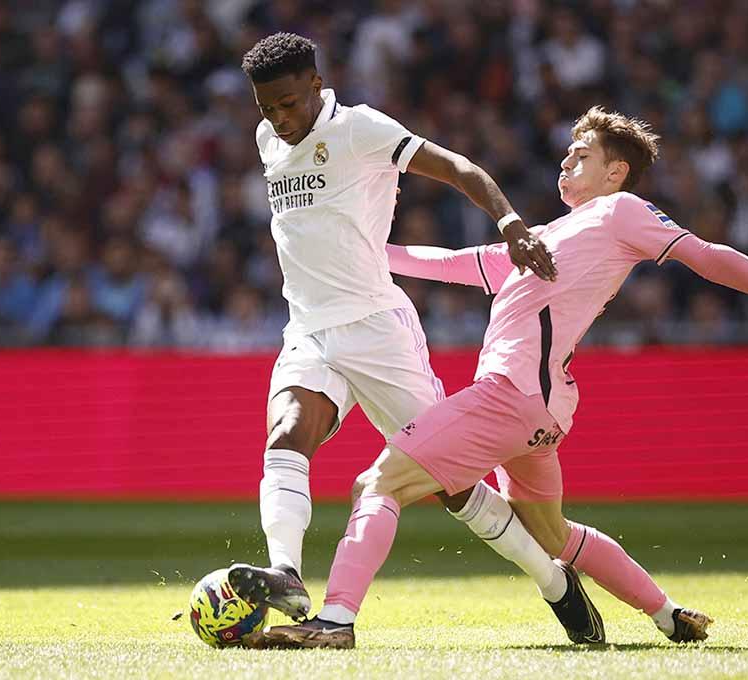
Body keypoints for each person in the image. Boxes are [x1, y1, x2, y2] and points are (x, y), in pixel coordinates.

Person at [248, 107, 748, 649]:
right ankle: (665, 614)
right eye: (568, 153)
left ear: (616, 172)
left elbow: (705, 255)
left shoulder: (621, 213)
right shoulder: (545, 237)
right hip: (540, 418)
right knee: (555, 535)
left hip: (507, 399)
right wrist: (347, 252)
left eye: (582, 154)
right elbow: (455, 264)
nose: (567, 162)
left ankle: (336, 620)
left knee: (376, 483)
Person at [225, 33, 606, 644]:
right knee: (286, 431)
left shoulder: (360, 129)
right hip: (308, 327)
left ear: (318, 86)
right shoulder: (269, 139)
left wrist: (508, 222)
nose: (280, 118)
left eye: (290, 103)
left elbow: (459, 168)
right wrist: (272, 122)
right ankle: (286, 573)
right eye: (267, 107)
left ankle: (554, 580)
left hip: (378, 330)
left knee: (454, 487)